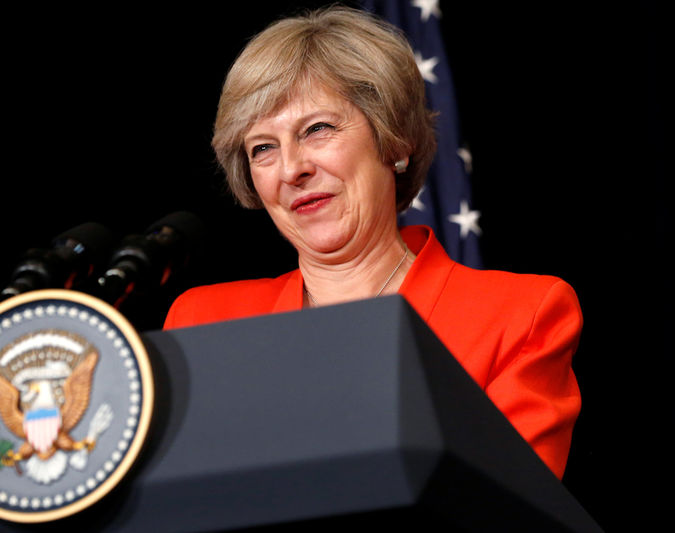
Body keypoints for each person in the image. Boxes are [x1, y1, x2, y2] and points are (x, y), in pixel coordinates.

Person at [163, 5, 581, 480]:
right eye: (263, 148)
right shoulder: (203, 321)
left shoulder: (518, 316)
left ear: (395, 141)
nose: (291, 169)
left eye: (317, 129)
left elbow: (510, 509)